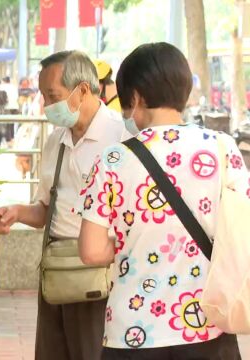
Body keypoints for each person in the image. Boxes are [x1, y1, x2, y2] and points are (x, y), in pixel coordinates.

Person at [78, 42, 248, 360]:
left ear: (137, 97)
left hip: (131, 330)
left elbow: (90, 251)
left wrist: (134, 240)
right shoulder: (223, 149)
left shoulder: (113, 158)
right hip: (208, 324)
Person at [0, 50, 130, 360]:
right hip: (57, 272)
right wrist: (18, 212)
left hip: (102, 277)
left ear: (83, 90)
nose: (47, 106)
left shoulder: (123, 137)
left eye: (53, 96)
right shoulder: (55, 143)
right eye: (44, 97)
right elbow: (47, 209)